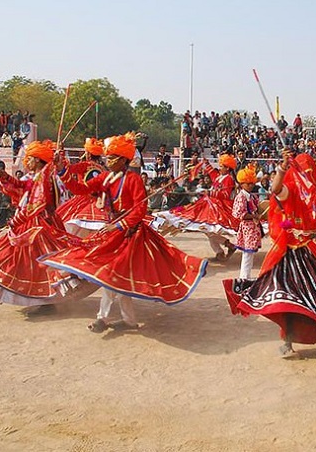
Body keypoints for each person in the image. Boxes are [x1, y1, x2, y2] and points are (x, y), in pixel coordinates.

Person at [41, 132, 208, 332]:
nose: (107, 160)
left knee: (113, 276)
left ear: (123, 160)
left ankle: (103, 318)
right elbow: (80, 188)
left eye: (111, 157)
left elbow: (140, 210)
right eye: (107, 157)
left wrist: (120, 225)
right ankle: (127, 320)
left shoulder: (134, 180)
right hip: (113, 233)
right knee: (117, 277)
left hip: (131, 235)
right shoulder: (105, 177)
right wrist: (61, 170)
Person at [223, 150, 316, 359]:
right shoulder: (291, 191)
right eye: (303, 169)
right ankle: (289, 341)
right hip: (292, 254)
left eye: (310, 170)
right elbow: (275, 188)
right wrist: (281, 168)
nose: (307, 173)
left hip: (313, 254)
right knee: (293, 297)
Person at [0, 140, 78, 307]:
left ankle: (43, 299)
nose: (28, 161)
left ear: (38, 160)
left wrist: (16, 220)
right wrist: (6, 178)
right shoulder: (38, 177)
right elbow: (22, 188)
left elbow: (36, 204)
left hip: (39, 224)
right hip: (34, 222)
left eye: (31, 158)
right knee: (26, 259)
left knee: (36, 261)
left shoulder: (44, 177)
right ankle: (35, 297)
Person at [155, 154, 239, 261]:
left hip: (218, 208)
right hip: (209, 206)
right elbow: (213, 174)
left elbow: (225, 195)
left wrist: (209, 192)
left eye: (221, 166)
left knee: (208, 229)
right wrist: (206, 163)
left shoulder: (229, 179)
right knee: (207, 229)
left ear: (227, 168)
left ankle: (224, 248)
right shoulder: (220, 176)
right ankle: (223, 249)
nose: (219, 167)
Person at [56, 138, 108, 237]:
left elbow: (67, 169)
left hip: (81, 200)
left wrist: (61, 153)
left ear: (88, 153)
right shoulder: (103, 169)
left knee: (60, 222)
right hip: (99, 202)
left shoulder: (85, 165)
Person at [232, 164, 262, 286]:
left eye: (252, 183)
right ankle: (244, 277)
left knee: (250, 253)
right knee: (247, 253)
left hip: (252, 228)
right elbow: (239, 213)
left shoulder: (251, 196)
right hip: (247, 228)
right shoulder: (241, 197)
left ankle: (246, 275)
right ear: (242, 183)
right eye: (248, 183)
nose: (250, 186)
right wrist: (254, 216)